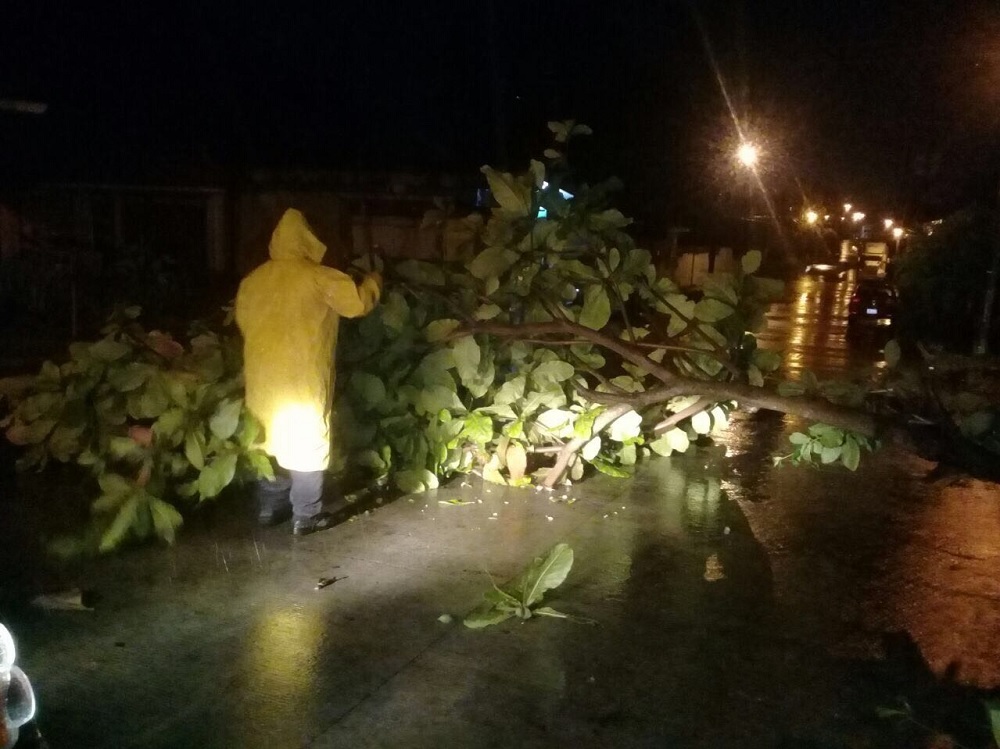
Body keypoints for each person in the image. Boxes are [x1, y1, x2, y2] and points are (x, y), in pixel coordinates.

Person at [235, 208, 382, 535]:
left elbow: (243, 322)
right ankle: (306, 515)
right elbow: (357, 304)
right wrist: (374, 281)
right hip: (302, 375)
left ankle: (269, 508)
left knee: (265, 438)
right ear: (309, 241)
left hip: (262, 375)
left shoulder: (253, 280)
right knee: (306, 440)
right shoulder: (319, 277)